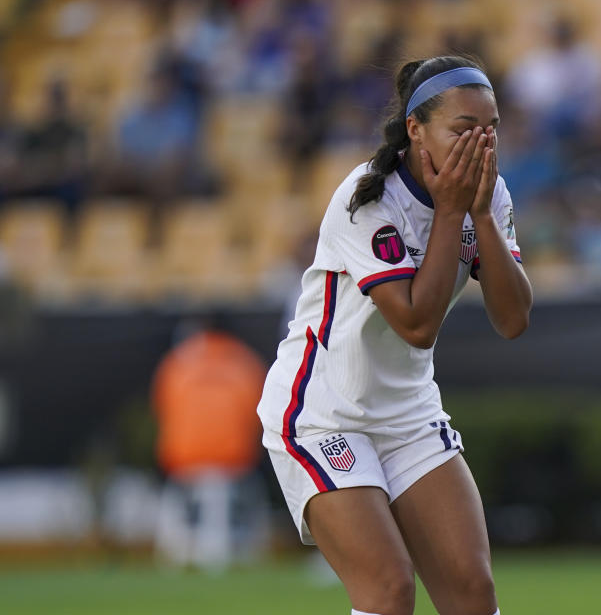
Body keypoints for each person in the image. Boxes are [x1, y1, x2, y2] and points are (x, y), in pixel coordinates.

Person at [257, 55, 531, 615]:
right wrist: (454, 213)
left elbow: (513, 319)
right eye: (463, 129)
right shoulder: (367, 197)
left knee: (472, 595)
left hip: (405, 413)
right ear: (415, 129)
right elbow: (416, 325)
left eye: (492, 129)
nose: (481, 143)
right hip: (324, 411)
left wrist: (479, 216)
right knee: (388, 590)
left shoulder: (489, 194)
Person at [152, 315, 269, 571]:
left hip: (183, 459)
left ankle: (173, 553)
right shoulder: (246, 363)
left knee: (178, 495)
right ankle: (251, 551)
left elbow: (163, 409)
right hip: (234, 459)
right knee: (252, 492)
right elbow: (259, 417)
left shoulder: (177, 362)